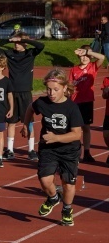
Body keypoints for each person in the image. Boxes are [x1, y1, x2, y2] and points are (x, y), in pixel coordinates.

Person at [21, 69, 83, 226]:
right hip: (48, 149)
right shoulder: (42, 103)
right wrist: (26, 124)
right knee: (45, 180)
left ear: (64, 88)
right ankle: (53, 198)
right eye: (48, 89)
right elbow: (30, 108)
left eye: (55, 89)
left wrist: (56, 137)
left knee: (68, 183)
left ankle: (67, 209)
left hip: (69, 150)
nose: (51, 92)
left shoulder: (72, 108)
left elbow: (76, 134)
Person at [0, 30, 44, 160]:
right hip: (12, 92)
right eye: (15, 42)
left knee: (29, 122)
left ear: (25, 43)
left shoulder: (30, 53)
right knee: (11, 121)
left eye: (19, 43)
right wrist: (9, 40)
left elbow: (41, 46)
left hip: (26, 92)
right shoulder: (9, 54)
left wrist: (24, 40)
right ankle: (9, 149)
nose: (16, 45)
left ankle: (31, 150)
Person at [68, 45, 104, 162]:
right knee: (75, 128)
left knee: (86, 128)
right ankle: (75, 152)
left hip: (87, 101)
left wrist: (89, 52)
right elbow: (69, 85)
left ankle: (87, 152)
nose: (84, 58)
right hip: (75, 102)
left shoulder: (93, 67)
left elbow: (102, 58)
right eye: (82, 56)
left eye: (87, 56)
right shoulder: (74, 69)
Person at [102, 74, 109, 165]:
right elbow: (104, 96)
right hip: (108, 113)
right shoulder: (106, 80)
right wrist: (106, 92)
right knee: (106, 134)